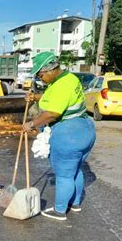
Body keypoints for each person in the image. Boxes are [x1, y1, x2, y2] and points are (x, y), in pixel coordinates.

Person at [23, 52, 96, 221]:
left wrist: (32, 124)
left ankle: (60, 210)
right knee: (75, 169)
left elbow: (53, 113)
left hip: (68, 135)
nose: (39, 78)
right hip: (85, 130)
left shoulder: (60, 86)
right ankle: (75, 203)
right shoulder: (68, 79)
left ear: (50, 69)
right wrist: (35, 97)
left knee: (64, 175)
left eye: (40, 74)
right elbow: (55, 97)